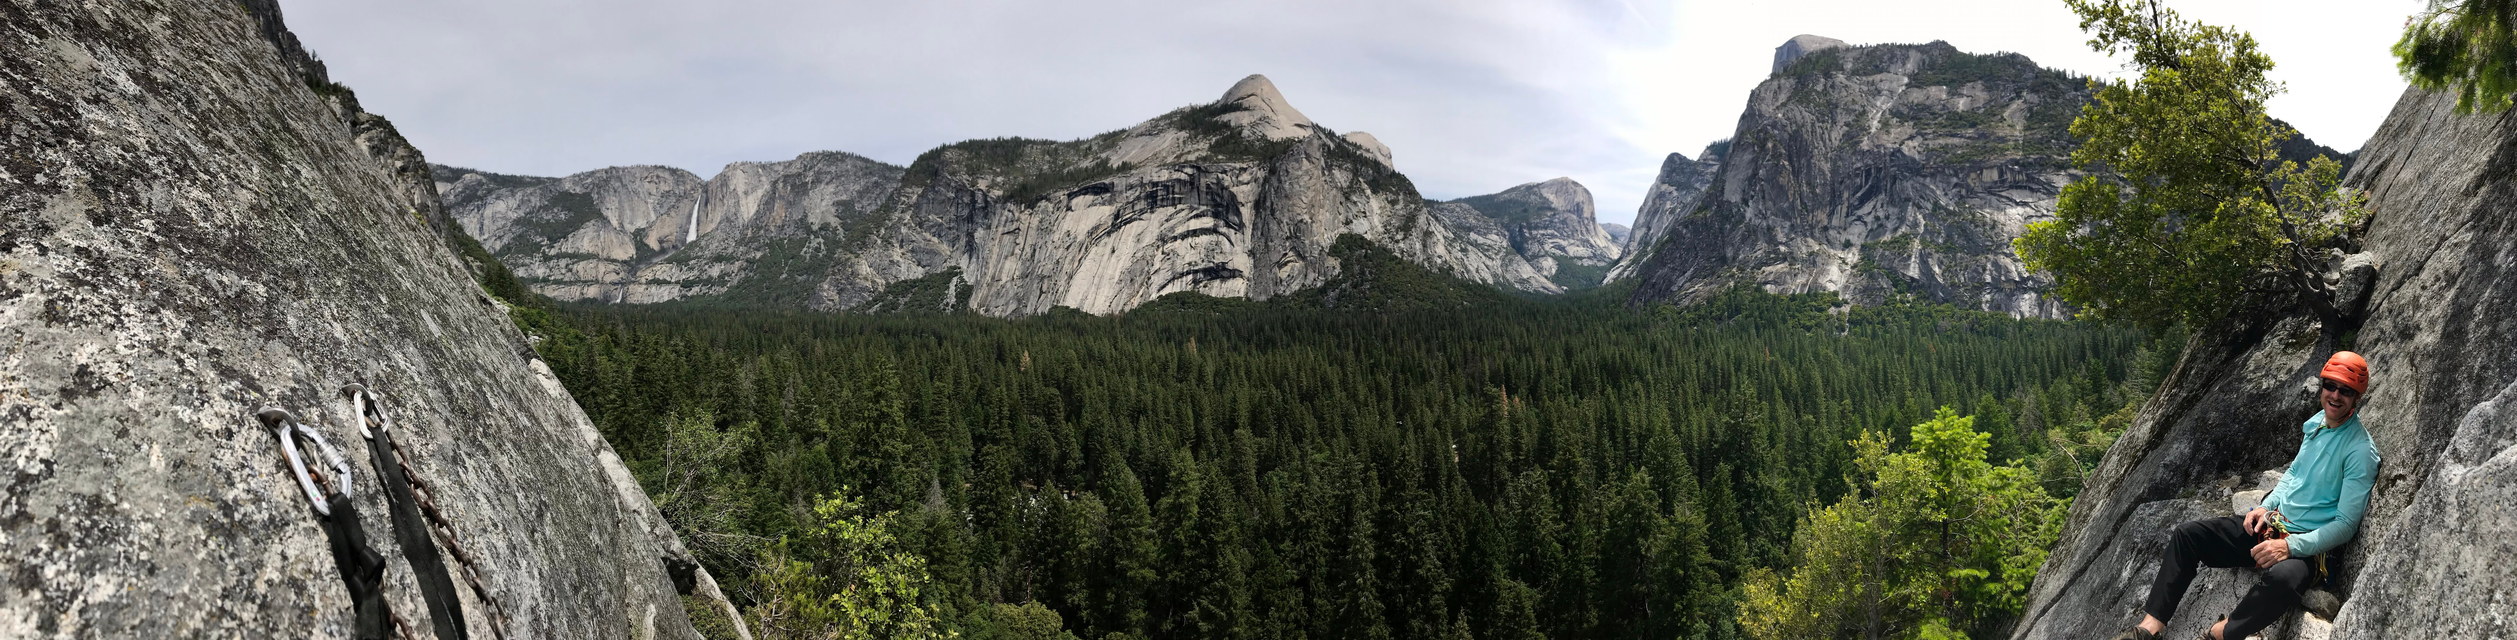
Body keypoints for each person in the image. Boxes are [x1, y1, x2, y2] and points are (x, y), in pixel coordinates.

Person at [2112, 351, 2379, 640]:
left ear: (2357, 397)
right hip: (2274, 525)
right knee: (2188, 535)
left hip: (2310, 547)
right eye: (2331, 386)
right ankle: (2149, 629)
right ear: (2323, 386)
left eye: (2346, 390)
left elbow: (2345, 525)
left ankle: (2221, 632)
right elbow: (2293, 474)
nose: (2335, 396)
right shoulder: (2317, 423)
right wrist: (2265, 507)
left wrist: (2289, 548)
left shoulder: (2359, 451)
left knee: (2284, 579)